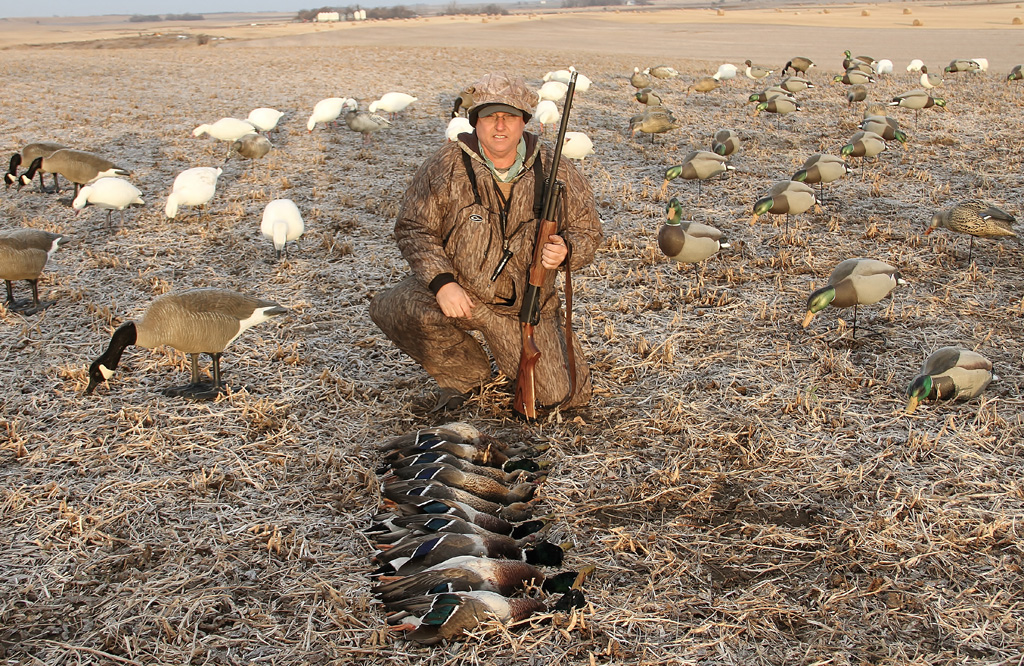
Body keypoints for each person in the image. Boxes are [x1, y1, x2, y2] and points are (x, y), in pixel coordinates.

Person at [369, 72, 603, 413]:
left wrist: (567, 249)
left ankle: (513, 351)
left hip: (526, 306)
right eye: (490, 116)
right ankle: (466, 376)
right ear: (475, 121)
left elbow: (588, 230)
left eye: (509, 116)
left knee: (562, 397)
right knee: (398, 308)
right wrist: (443, 283)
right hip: (462, 294)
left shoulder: (557, 169)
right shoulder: (445, 165)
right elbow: (414, 228)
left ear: (524, 121)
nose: (499, 126)